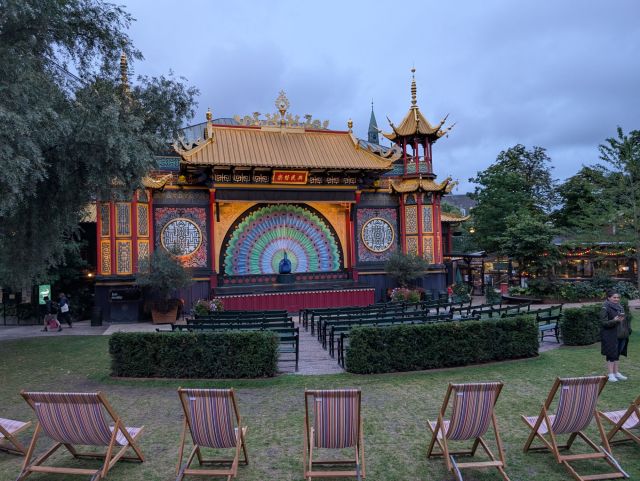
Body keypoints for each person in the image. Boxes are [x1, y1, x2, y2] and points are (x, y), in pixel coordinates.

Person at [600, 289, 631, 382]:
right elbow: (603, 323)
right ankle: (610, 374)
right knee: (611, 355)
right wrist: (614, 320)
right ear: (609, 298)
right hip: (611, 335)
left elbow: (624, 320)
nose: (617, 299)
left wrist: (628, 329)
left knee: (617, 354)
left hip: (621, 334)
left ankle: (616, 372)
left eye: (618, 297)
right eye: (614, 297)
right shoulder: (605, 307)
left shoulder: (620, 307)